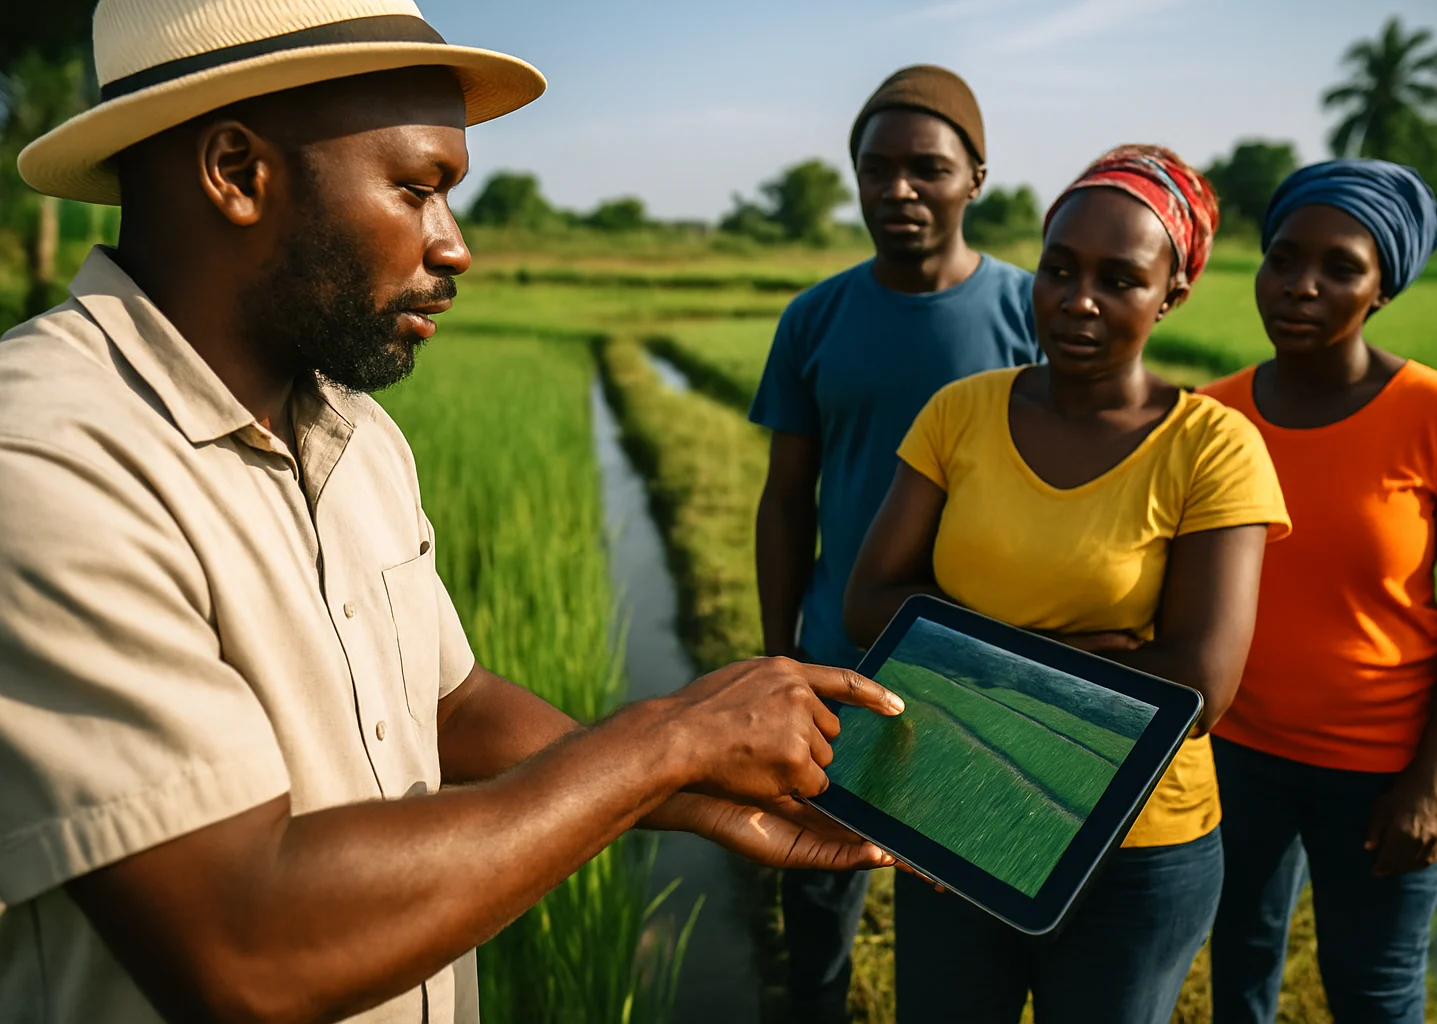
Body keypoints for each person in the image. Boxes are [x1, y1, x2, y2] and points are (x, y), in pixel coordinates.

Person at [0, 3, 910, 1022]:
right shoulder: (46, 458)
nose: (456, 247)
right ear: (238, 173)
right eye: (416, 188)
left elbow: (449, 705)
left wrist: (694, 791)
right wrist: (665, 743)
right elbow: (243, 945)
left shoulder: (355, 434)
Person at [843, 145, 1292, 1024]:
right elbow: (867, 604)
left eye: (1120, 280)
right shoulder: (960, 412)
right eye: (1059, 269)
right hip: (953, 790)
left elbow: (1199, 688)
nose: (1078, 300)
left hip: (1137, 842)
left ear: (1172, 294)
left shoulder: (1214, 448)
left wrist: (956, 644)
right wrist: (1087, 658)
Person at [748, 64, 1038, 1022]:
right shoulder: (816, 318)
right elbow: (787, 500)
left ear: (976, 180)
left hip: (981, 669)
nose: (899, 190)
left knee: (959, 909)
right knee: (817, 888)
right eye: (877, 170)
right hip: (841, 655)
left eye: (928, 170)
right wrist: (781, 651)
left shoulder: (1031, 314)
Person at [1202, 160, 1437, 1024]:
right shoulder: (1214, 416)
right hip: (1236, 759)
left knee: (1372, 992)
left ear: (1383, 289)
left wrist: (1432, 780)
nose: (1300, 285)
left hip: (1384, 770)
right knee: (1238, 971)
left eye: (1340, 267)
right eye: (1283, 258)